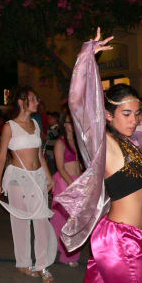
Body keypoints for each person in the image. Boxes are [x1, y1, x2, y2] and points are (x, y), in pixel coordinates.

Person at [55, 28, 142, 283]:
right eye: (126, 114)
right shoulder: (105, 144)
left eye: (137, 113)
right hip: (118, 240)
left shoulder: (133, 147)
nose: (133, 119)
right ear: (108, 115)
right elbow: (78, 103)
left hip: (130, 238)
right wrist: (87, 56)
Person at [0, 86, 56, 283]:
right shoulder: (9, 126)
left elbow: (39, 155)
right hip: (17, 178)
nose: (37, 102)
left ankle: (42, 264)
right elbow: (2, 155)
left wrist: (48, 176)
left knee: (41, 221)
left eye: (36, 99)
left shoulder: (36, 125)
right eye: (33, 99)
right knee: (20, 222)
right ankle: (23, 263)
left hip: (37, 177)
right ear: (21, 102)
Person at [50, 109, 82, 268]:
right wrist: (72, 184)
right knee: (62, 219)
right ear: (64, 124)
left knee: (75, 221)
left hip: (76, 181)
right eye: (70, 122)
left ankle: (69, 251)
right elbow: (60, 167)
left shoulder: (77, 142)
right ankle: (65, 252)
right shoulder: (60, 142)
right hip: (65, 182)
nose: (73, 124)